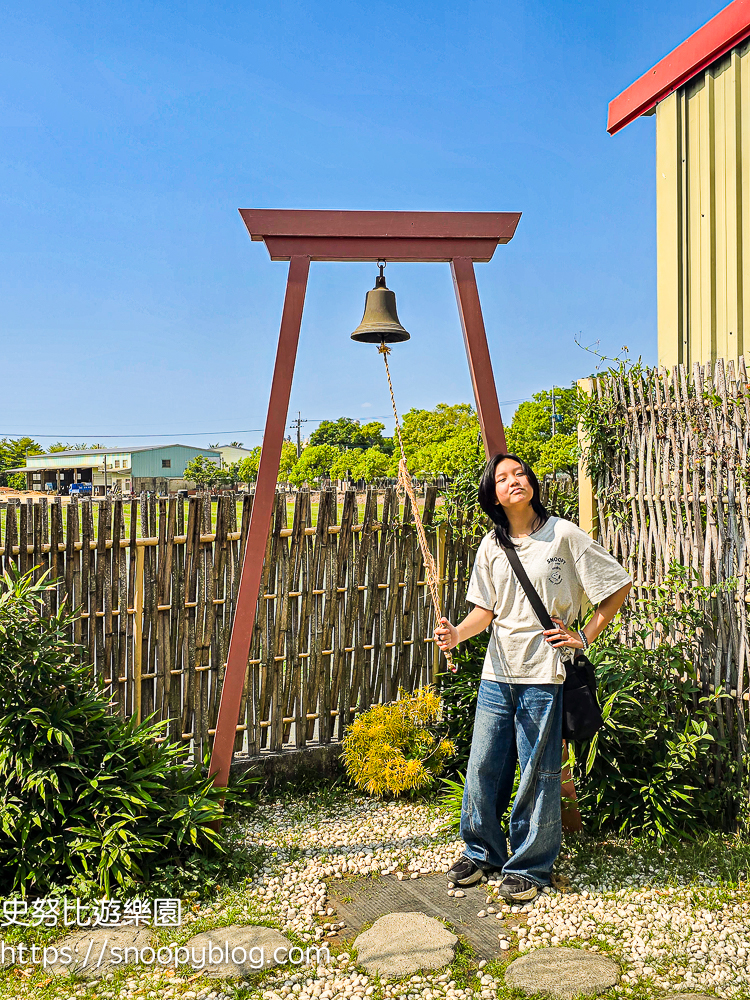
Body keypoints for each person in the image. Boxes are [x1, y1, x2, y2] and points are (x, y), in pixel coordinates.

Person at [434, 454, 631, 903]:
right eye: (502, 478)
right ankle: (482, 852)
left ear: (532, 483)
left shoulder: (562, 534)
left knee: (537, 774)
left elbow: (617, 583)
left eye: (519, 473)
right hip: (497, 672)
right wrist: (455, 635)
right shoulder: (491, 545)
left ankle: (529, 866)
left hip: (545, 672)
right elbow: (485, 612)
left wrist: (583, 635)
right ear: (494, 494)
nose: (513, 481)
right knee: (483, 765)